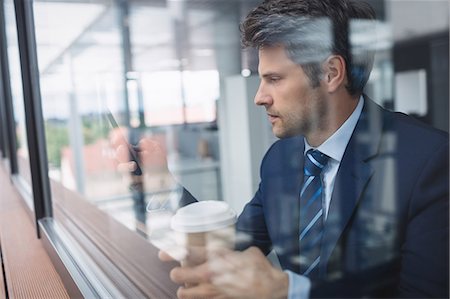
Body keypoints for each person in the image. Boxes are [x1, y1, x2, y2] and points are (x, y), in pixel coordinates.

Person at [154, 0, 450, 298]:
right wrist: (163, 186)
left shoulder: (430, 162)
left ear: (331, 73)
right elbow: (236, 245)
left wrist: (289, 291)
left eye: (274, 79)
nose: (259, 97)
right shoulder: (279, 159)